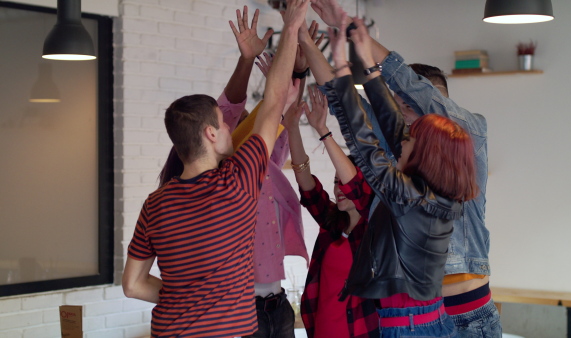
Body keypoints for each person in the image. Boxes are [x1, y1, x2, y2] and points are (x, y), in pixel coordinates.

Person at [309, 1, 501, 336]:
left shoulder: (416, 190)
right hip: (432, 316)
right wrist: (342, 43)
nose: (404, 129)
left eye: (412, 110)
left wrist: (345, 54)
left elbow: (361, 131)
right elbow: (375, 113)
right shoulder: (436, 178)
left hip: (448, 318)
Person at [121, 1, 309, 337]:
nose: (230, 126)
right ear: (210, 134)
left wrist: (187, 298)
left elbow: (133, 285)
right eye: (223, 124)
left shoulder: (155, 204)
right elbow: (275, 99)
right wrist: (291, 28)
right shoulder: (236, 183)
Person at [280, 85, 379, 338]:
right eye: (336, 182)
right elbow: (306, 182)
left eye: (344, 182)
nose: (339, 188)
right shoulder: (332, 223)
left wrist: (324, 131)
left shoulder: (374, 228)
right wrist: (293, 127)